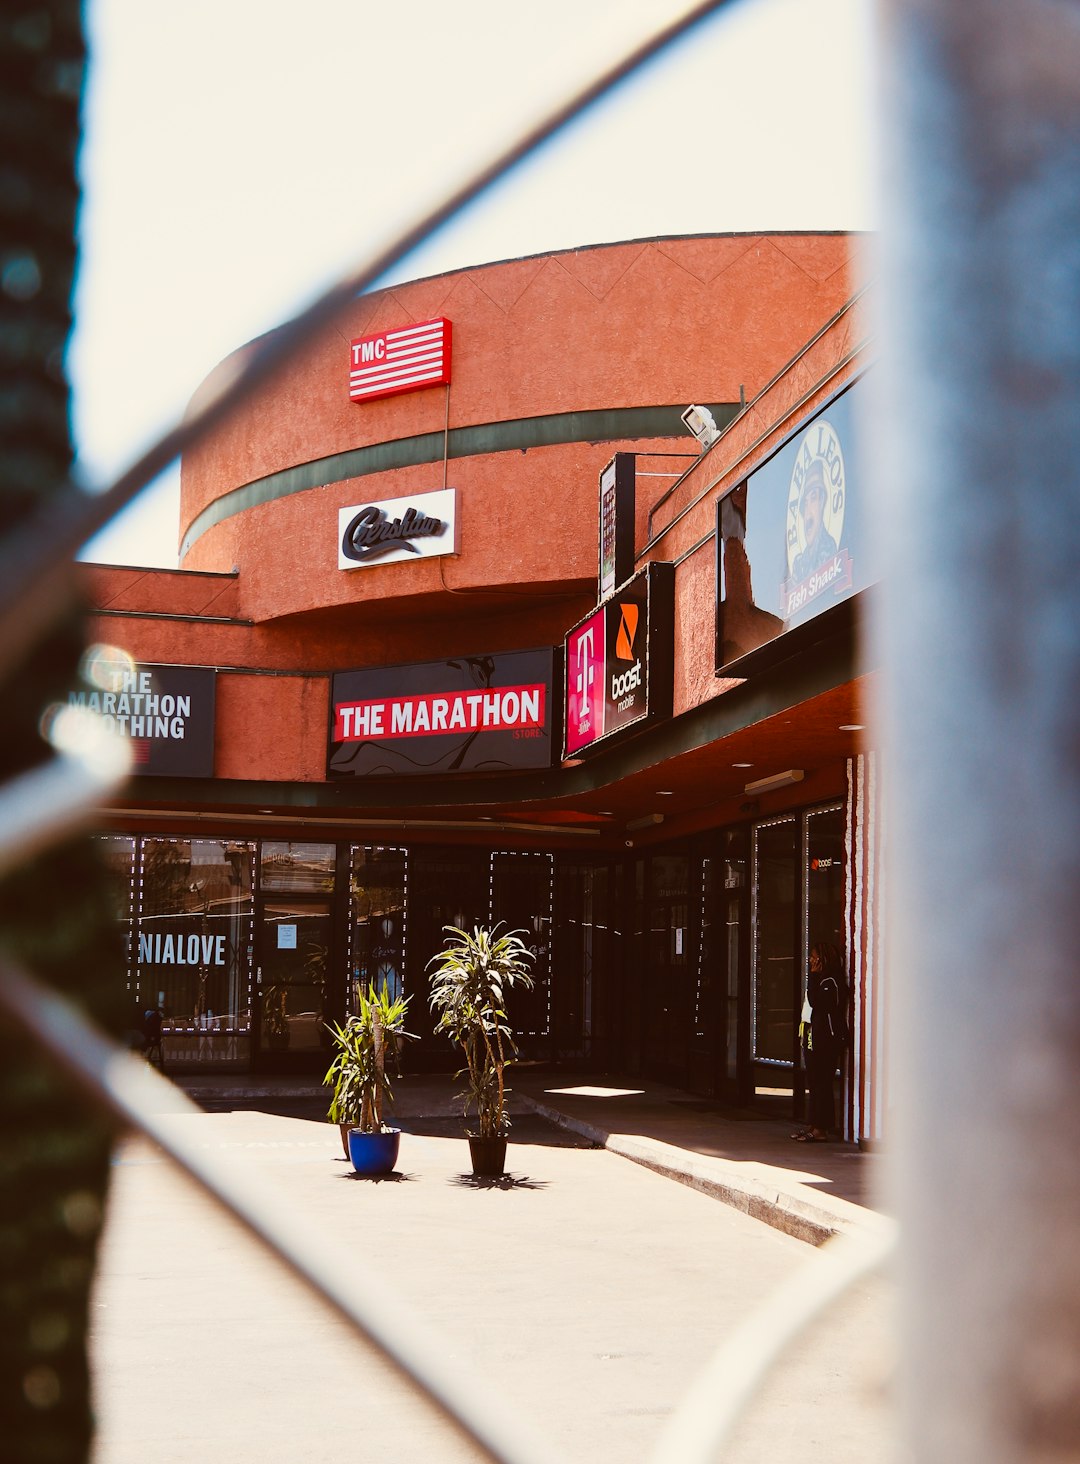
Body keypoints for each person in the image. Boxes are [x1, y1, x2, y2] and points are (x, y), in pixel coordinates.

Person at [792, 941, 848, 1142]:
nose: (811, 961)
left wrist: (814, 977)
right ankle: (813, 1124)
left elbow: (817, 1002)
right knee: (814, 1083)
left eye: (815, 958)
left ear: (824, 959)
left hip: (826, 1039)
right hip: (812, 1037)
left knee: (823, 1083)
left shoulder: (831, 982)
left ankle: (821, 1129)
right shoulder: (821, 980)